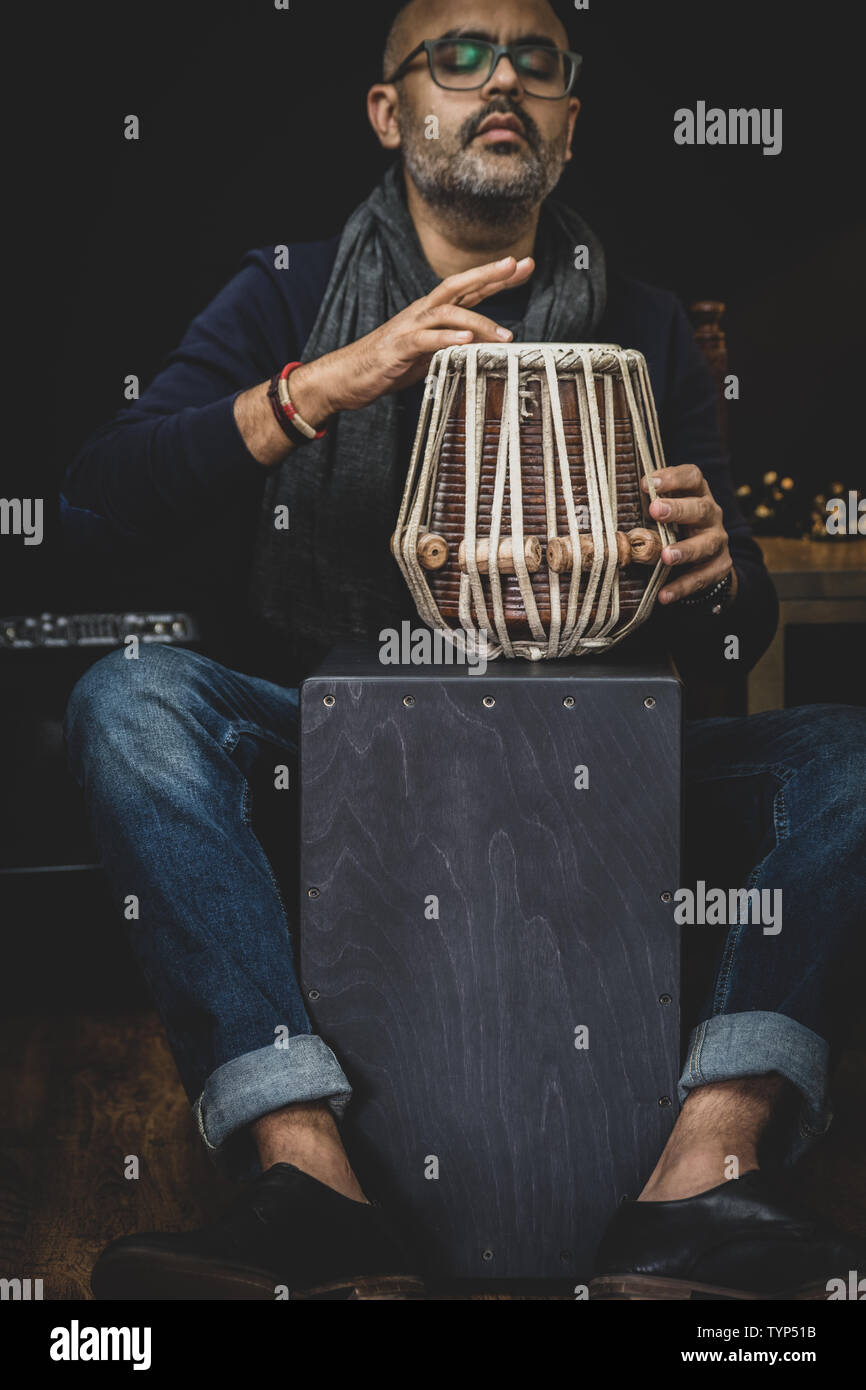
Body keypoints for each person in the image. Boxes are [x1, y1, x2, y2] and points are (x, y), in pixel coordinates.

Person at [62, 0, 865, 1300]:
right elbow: (96, 506)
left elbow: (736, 627)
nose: (500, 79)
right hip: (338, 755)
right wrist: (321, 383)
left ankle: (703, 1176)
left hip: (595, 754)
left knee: (842, 751)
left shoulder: (650, 327)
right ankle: (307, 1177)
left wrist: (720, 575)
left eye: (533, 61)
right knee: (132, 701)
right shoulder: (284, 289)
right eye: (458, 54)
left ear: (567, 121)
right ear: (390, 111)